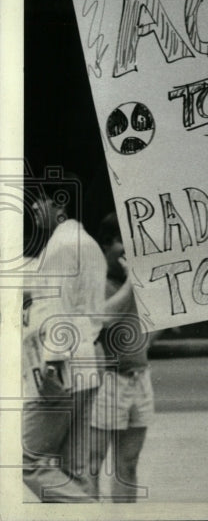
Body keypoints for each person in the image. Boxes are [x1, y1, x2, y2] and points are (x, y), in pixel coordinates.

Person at [21, 188, 105, 501]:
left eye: (39, 200)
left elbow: (57, 307)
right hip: (85, 363)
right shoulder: (85, 243)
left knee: (26, 461)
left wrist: (52, 363)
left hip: (61, 367)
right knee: (73, 469)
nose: (33, 206)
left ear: (60, 203)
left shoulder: (62, 246)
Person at [88, 212, 155, 502]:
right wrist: (131, 282)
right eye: (122, 246)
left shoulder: (137, 283)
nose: (129, 254)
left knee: (128, 463)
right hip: (108, 382)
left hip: (139, 377)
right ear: (107, 245)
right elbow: (102, 319)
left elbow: (155, 324)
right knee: (93, 463)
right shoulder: (97, 280)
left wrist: (141, 346)